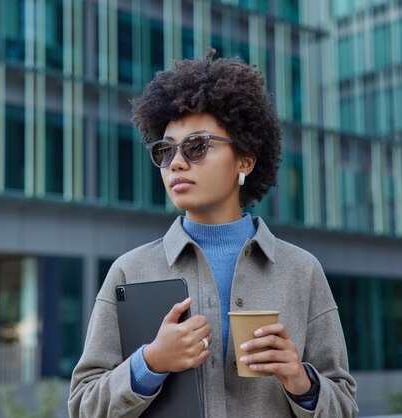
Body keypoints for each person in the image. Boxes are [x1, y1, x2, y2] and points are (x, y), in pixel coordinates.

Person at [68, 51, 358, 418]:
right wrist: (150, 363)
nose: (176, 163)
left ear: (245, 161)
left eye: (196, 147)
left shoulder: (301, 271)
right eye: (165, 150)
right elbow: (82, 405)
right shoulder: (130, 270)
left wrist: (302, 382)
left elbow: (345, 406)